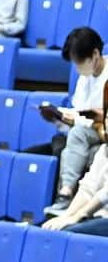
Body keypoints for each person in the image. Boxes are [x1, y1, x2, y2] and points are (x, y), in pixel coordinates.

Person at [45, 26, 107, 213]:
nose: (78, 67)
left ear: (95, 54)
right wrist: (59, 118)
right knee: (57, 143)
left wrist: (81, 120)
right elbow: (78, 111)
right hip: (85, 129)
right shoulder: (84, 78)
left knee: (77, 134)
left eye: (81, 62)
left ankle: (65, 193)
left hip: (100, 128)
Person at [43, 145, 108, 236]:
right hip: (99, 215)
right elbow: (87, 189)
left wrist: (77, 217)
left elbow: (105, 194)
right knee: (50, 228)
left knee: (67, 232)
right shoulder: (104, 149)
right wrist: (66, 217)